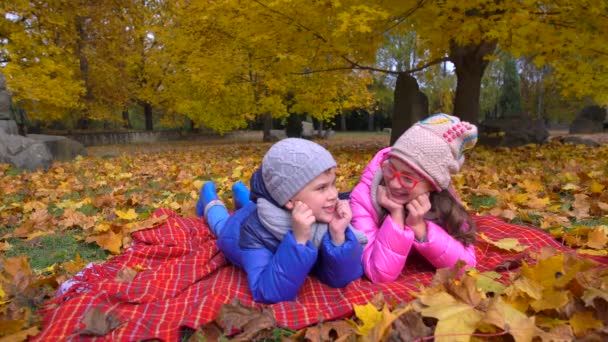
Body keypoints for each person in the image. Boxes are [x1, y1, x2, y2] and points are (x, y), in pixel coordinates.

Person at [196, 138, 367, 303]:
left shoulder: (323, 215)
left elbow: (341, 278)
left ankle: (242, 193)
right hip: (234, 233)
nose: (334, 195)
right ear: (290, 200)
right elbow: (267, 291)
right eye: (321, 188)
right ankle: (209, 198)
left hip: (270, 206)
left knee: (249, 203)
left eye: (333, 184)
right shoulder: (254, 232)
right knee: (221, 223)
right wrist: (298, 241)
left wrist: (338, 236)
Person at [350, 113, 478, 283]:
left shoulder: (445, 201)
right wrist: (396, 218)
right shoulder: (363, 198)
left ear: (433, 186)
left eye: (408, 178)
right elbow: (378, 272)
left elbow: (466, 266)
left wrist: (421, 228)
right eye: (390, 169)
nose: (394, 184)